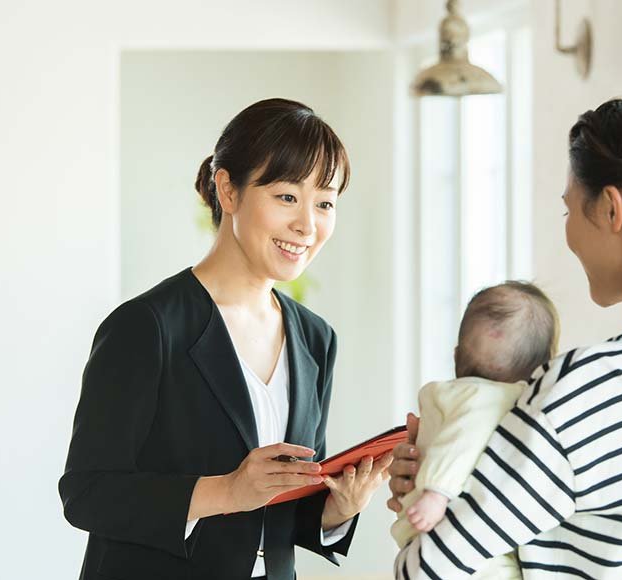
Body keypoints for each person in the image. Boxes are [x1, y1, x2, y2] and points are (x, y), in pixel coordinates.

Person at [388, 93, 622, 578]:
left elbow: (425, 570)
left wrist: (431, 496)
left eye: (568, 210)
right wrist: (452, 479)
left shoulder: (581, 388)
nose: (567, 232)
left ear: (611, 209)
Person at [59, 98, 391, 580]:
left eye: (325, 202)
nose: (308, 225)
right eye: (286, 197)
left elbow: (278, 511)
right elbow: (87, 494)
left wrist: (338, 509)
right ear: (228, 190)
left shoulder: (316, 339)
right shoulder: (146, 326)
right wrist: (227, 492)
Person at [390, 281, 560, 580]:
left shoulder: (466, 397)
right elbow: (459, 443)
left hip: (440, 540)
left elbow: (455, 443)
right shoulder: (505, 400)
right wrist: (429, 492)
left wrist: (433, 493)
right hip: (455, 535)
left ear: (456, 357)